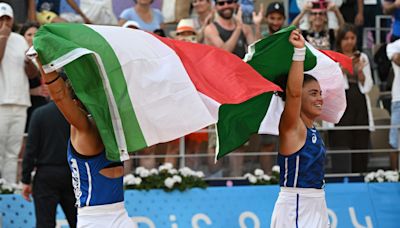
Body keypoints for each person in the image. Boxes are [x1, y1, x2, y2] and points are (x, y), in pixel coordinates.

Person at [36, 62, 134, 227]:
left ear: (74, 102)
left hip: (93, 220)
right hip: (123, 218)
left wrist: (42, 62)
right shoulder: (116, 127)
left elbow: (59, 96)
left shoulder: (85, 130)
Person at [270, 30, 329, 227]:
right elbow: (293, 93)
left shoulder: (313, 129)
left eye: (320, 93)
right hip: (295, 204)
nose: (319, 98)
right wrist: (299, 52)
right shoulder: (292, 128)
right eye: (313, 93)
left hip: (318, 202)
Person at [21, 98, 77, 228]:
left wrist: (26, 179)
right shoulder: (77, 114)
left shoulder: (40, 113)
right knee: (79, 222)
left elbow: (30, 150)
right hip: (73, 173)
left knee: (44, 223)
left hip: (46, 174)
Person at [0, 2, 38, 183]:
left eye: (7, 19)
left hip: (21, 102)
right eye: (1, 19)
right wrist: (3, 38)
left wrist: (28, 63)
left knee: (13, 152)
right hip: (1, 102)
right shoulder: (7, 38)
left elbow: (33, 73)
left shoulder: (20, 39)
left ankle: (8, 186)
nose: (4, 22)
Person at [329, 24, 373, 173]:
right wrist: (344, 68)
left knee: (360, 140)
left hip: (359, 104)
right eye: (346, 38)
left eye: (352, 38)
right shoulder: (333, 57)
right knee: (341, 141)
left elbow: (368, 86)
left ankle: (360, 174)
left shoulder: (363, 57)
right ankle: (342, 177)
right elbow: (330, 84)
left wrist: (360, 72)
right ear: (340, 40)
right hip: (341, 105)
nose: (349, 42)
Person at [19, 22, 49, 132]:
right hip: (24, 104)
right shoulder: (16, 56)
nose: (32, 38)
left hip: (43, 104)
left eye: (35, 34)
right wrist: (32, 91)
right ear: (22, 37)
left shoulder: (46, 56)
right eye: (29, 34)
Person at [386, 40, 400, 170]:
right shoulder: (394, 45)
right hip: (399, 99)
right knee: (394, 142)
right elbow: (397, 59)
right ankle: (395, 176)